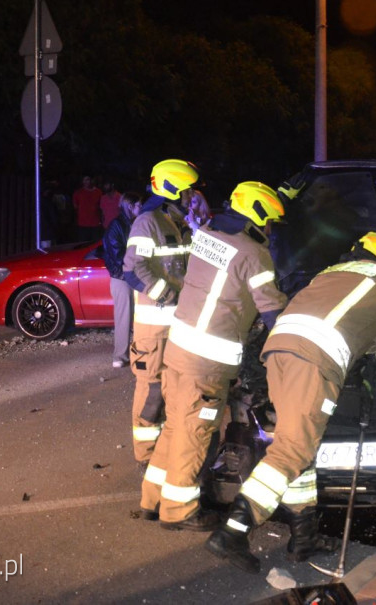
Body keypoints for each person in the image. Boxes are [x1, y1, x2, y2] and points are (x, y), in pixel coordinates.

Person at [207, 231, 376, 573]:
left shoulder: (328, 275)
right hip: (314, 361)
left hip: (278, 353)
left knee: (298, 445)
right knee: (292, 451)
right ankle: (234, 531)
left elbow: (350, 326)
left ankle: (305, 537)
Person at [140, 181, 288, 531]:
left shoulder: (206, 234)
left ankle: (153, 499)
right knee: (194, 435)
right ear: (260, 214)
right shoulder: (255, 254)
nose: (269, 229)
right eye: (269, 221)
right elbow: (272, 311)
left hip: (178, 349)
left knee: (175, 426)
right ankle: (178, 511)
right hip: (205, 362)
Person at [122, 160, 201, 468]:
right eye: (187, 191)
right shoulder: (148, 222)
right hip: (154, 329)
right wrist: (168, 295)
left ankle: (167, 454)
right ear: (171, 190)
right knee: (152, 391)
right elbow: (132, 269)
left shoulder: (177, 224)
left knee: (175, 390)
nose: (191, 196)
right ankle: (147, 459)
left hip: (177, 326)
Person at [103, 191, 142, 368]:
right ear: (130, 206)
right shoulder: (116, 226)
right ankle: (120, 356)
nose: (141, 207)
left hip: (137, 275)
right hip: (122, 277)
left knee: (141, 318)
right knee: (124, 317)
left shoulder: (137, 224)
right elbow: (117, 255)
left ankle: (140, 354)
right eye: (138, 204)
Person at [72, 175, 103, 242]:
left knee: (95, 245)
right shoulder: (78, 193)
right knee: (83, 244)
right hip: (83, 224)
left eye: (88, 179)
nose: (87, 182)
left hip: (95, 223)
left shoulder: (98, 192)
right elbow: (75, 206)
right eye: (85, 180)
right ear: (82, 181)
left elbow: (101, 207)